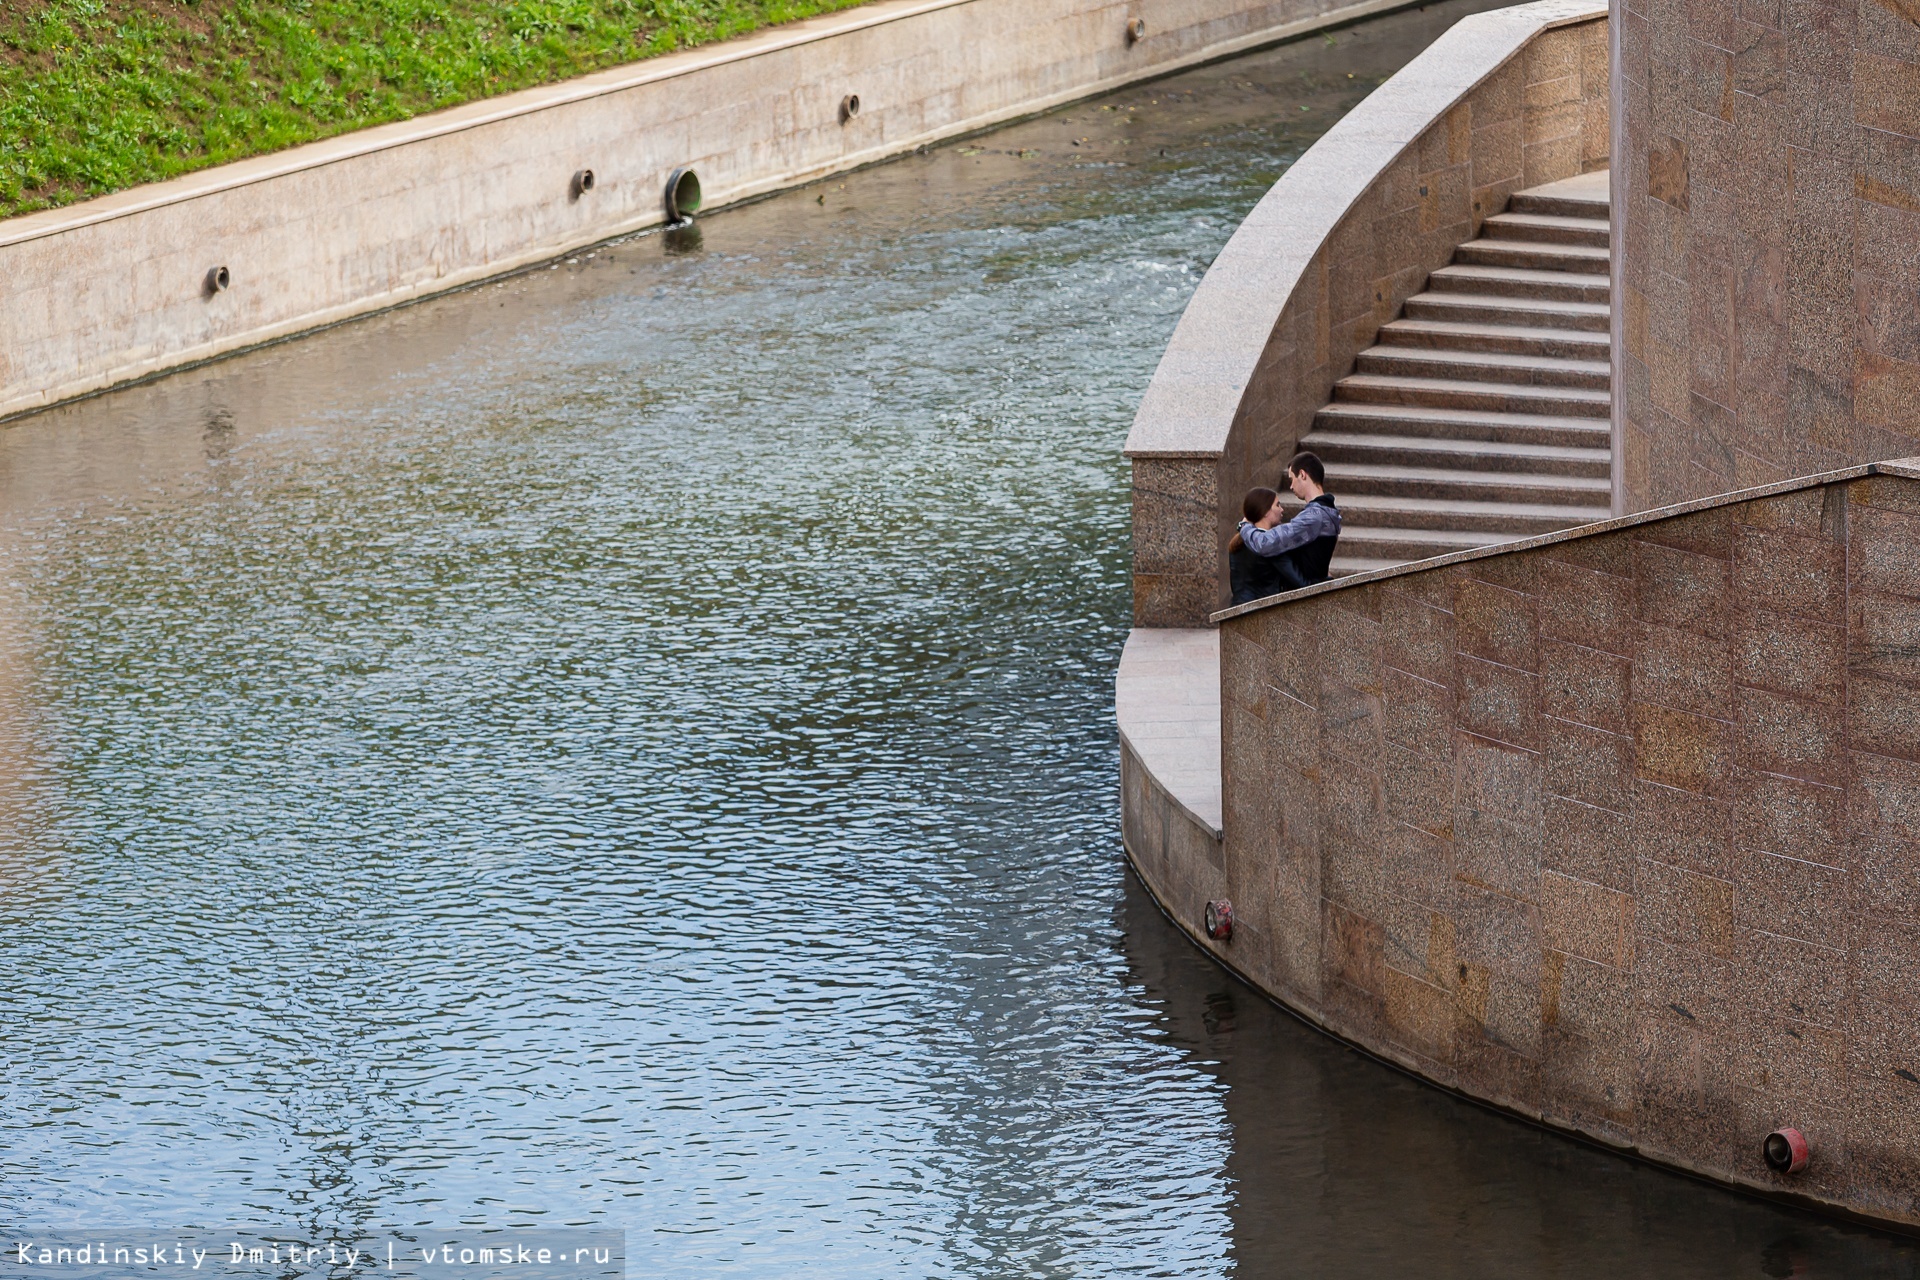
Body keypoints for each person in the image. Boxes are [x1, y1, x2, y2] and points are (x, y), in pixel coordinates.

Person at [1228, 452, 1340, 602]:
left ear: (1302, 474)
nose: (1291, 486)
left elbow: (1264, 544)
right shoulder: (1323, 513)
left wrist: (1244, 526)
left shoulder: (1314, 516)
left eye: (1291, 479)